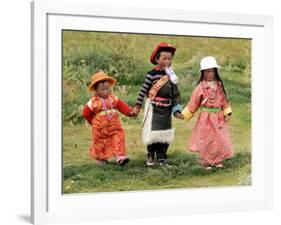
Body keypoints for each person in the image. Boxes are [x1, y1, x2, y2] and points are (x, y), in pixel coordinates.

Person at [133, 42, 184, 166]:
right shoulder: (151, 75)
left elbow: (176, 94)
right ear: (157, 59)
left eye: (169, 59)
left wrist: (176, 110)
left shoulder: (171, 76)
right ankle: (151, 154)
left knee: (165, 133)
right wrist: (137, 106)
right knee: (153, 133)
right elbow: (143, 91)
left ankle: (162, 156)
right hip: (153, 108)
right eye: (164, 58)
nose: (167, 61)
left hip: (166, 109)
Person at [182, 56, 233, 170]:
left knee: (219, 139)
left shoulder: (219, 86)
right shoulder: (200, 88)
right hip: (206, 118)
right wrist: (185, 114)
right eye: (208, 71)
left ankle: (218, 160)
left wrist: (227, 112)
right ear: (203, 73)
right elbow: (194, 103)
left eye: (213, 71)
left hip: (218, 117)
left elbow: (224, 100)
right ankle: (206, 161)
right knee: (206, 139)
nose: (211, 73)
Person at [83, 71, 135, 166]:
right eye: (102, 90)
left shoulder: (113, 98)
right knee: (100, 143)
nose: (106, 91)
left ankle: (120, 156)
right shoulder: (93, 102)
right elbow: (86, 113)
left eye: (107, 89)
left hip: (115, 127)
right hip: (100, 129)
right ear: (96, 90)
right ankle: (101, 159)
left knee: (119, 137)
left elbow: (121, 106)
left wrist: (130, 112)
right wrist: (93, 122)